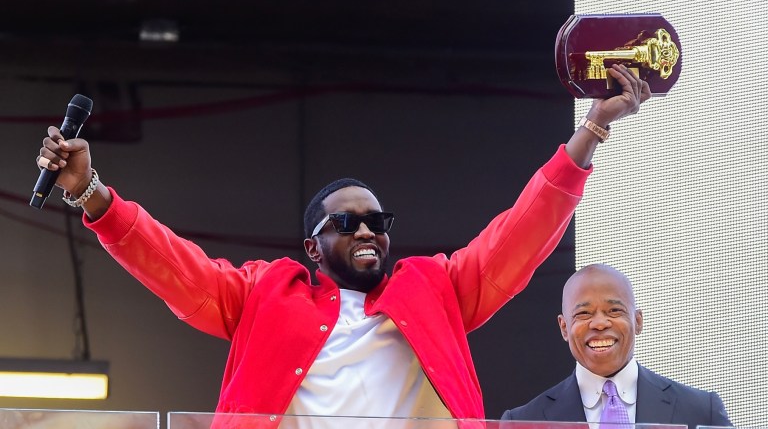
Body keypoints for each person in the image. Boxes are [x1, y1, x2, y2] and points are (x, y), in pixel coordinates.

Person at [36, 65, 648, 420]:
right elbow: (175, 268)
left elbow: (520, 235)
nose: (366, 231)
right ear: (310, 246)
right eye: (347, 223)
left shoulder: (434, 287)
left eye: (378, 223)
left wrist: (592, 129)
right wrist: (92, 192)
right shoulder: (264, 292)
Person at [501, 263, 732, 428]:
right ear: (564, 327)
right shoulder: (524, 422)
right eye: (583, 313)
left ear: (638, 321)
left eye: (614, 310)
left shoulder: (700, 410)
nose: (600, 323)